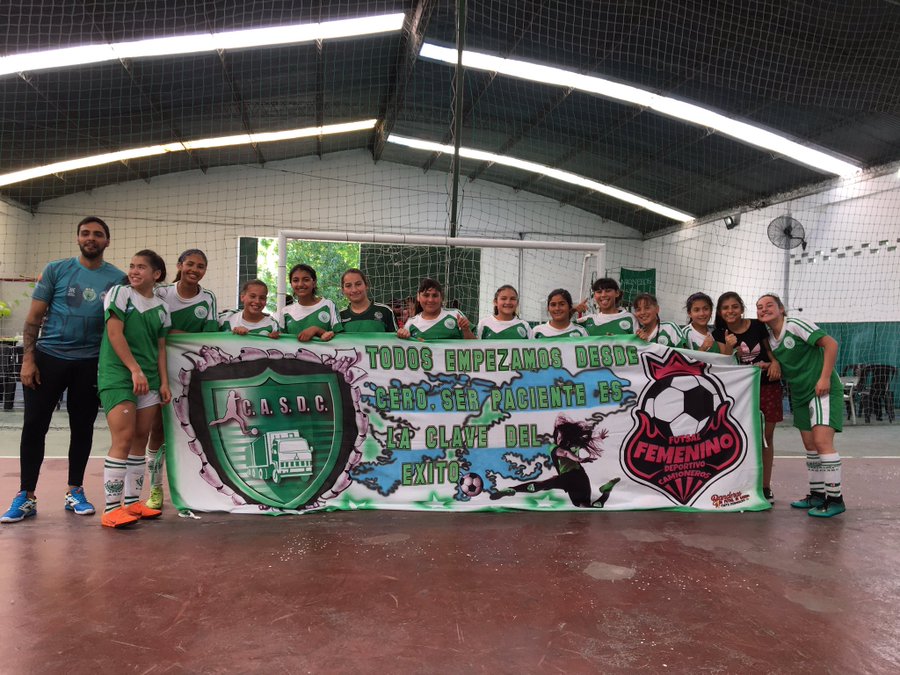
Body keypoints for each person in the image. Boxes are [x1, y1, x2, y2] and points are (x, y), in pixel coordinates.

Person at [1, 217, 124, 524]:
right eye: (85, 233)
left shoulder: (119, 279)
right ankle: (26, 495)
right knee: (34, 426)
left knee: (82, 428)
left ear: (107, 241)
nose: (91, 238)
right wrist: (28, 360)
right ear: (78, 238)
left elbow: (121, 326)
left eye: (98, 234)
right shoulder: (56, 270)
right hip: (49, 359)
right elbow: (33, 319)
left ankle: (75, 491)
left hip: (90, 363)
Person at [97, 250, 171, 528]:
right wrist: (134, 369)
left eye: (141, 267)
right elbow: (114, 333)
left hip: (149, 379)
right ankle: (111, 509)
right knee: (124, 438)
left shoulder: (162, 308)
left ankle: (132, 503)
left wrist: (163, 381)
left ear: (156, 274)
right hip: (119, 375)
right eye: (132, 266)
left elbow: (161, 349)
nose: (134, 271)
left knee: (141, 439)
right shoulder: (120, 293)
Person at [756, 294, 845, 518]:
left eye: (769, 305)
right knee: (810, 445)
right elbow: (788, 364)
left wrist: (824, 378)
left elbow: (831, 344)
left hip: (821, 389)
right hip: (800, 394)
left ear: (781, 309)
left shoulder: (795, 325)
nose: (763, 309)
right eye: (759, 307)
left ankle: (835, 499)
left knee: (822, 442)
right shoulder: (769, 339)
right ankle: (817, 495)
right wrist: (770, 365)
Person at [144, 249, 218, 510]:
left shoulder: (208, 298)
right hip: (160, 370)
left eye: (200, 266)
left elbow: (209, 338)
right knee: (158, 429)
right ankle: (155, 488)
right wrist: (179, 335)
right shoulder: (162, 293)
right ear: (179, 265)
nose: (194, 270)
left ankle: (197, 488)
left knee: (195, 430)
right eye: (190, 264)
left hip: (191, 373)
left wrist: (176, 335)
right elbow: (153, 329)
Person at [713, 291, 781, 504]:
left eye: (735, 306)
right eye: (725, 308)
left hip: (767, 387)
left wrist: (775, 363)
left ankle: (765, 486)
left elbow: (770, 351)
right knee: (740, 438)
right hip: (740, 393)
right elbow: (724, 364)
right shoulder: (719, 333)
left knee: (766, 437)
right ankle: (742, 485)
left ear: (742, 308)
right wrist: (729, 346)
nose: (730, 311)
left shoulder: (758, 325)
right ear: (720, 312)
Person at [489, 415, 619, 508]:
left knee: (542, 485)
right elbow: (571, 450)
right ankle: (606, 491)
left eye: (559, 436)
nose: (558, 438)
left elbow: (566, 453)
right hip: (581, 476)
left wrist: (579, 458)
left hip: (567, 477)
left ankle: (512, 490)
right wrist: (598, 438)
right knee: (585, 505)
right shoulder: (574, 444)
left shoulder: (554, 447)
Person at [278, 264, 342, 342]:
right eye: (295, 280)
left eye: (306, 280)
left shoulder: (328, 305)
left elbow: (340, 338)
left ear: (314, 282)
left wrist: (317, 330)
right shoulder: (285, 312)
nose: (300, 284)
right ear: (291, 284)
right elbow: (281, 342)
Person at [397, 278, 475, 340]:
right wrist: (402, 336)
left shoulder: (455, 315)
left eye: (435, 295)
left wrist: (466, 330)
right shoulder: (411, 323)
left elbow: (475, 347)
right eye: (426, 295)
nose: (430, 300)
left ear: (441, 297)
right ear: (418, 297)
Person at [339, 268, 397, 333]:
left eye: (358, 284)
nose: (354, 290)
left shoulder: (386, 311)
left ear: (366, 285)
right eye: (348, 286)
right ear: (343, 290)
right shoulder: (339, 316)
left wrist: (403, 334)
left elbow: (396, 337)